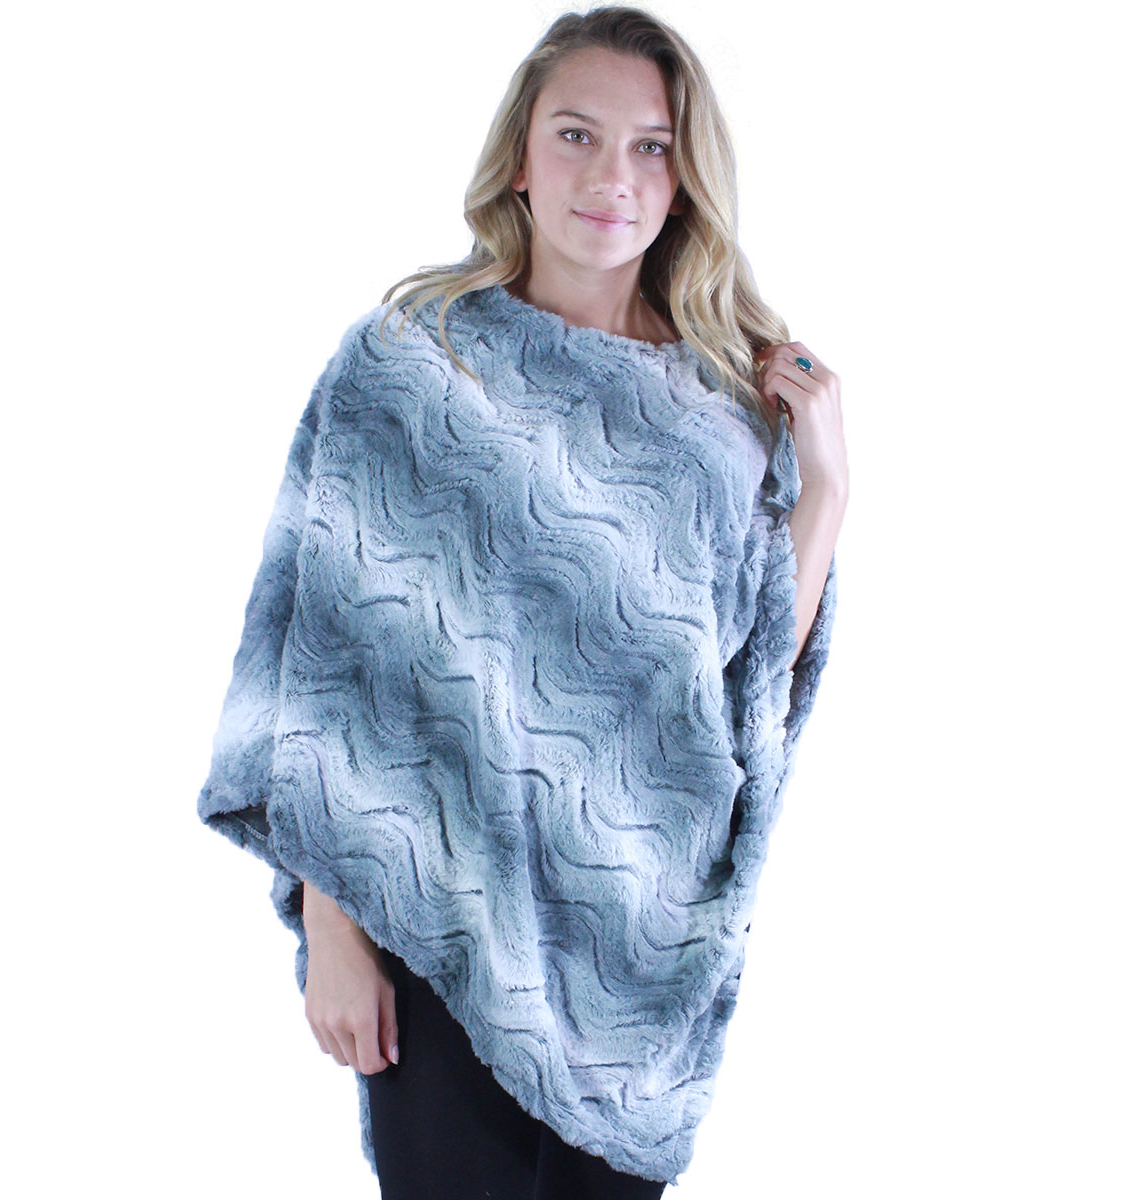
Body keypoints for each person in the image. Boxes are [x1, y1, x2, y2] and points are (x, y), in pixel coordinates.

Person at [197, 6, 847, 1198]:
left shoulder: (724, 414)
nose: (613, 176)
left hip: (641, 958)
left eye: (652, 147)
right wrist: (334, 930)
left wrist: (828, 491)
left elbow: (747, 691)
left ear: (685, 180)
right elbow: (324, 655)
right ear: (519, 158)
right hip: (436, 914)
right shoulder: (412, 364)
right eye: (577, 134)